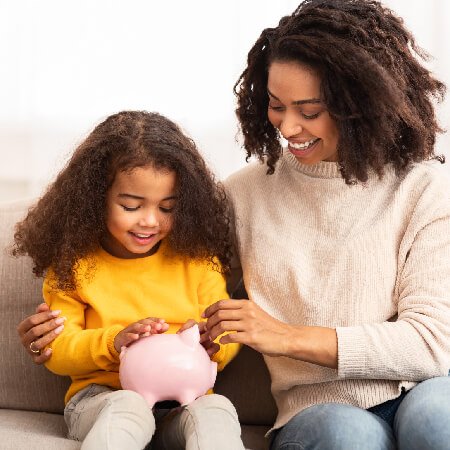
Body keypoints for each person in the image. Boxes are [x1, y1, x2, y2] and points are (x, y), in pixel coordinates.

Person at [18, 0, 450, 449]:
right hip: (318, 408)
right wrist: (55, 337)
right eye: (276, 105)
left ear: (359, 103)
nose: (287, 126)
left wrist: (286, 336)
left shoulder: (424, 189)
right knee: (345, 437)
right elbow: (162, 268)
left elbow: (434, 342)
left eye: (309, 109)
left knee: (440, 417)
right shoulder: (240, 197)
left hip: (425, 386)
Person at [13, 110, 244, 450]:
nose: (150, 221)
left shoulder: (197, 261)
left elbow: (226, 330)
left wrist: (214, 346)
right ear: (96, 199)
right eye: (132, 206)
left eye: (167, 207)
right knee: (128, 406)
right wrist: (113, 343)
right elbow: (58, 350)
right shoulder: (73, 266)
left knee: (217, 409)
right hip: (103, 399)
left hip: (186, 399)